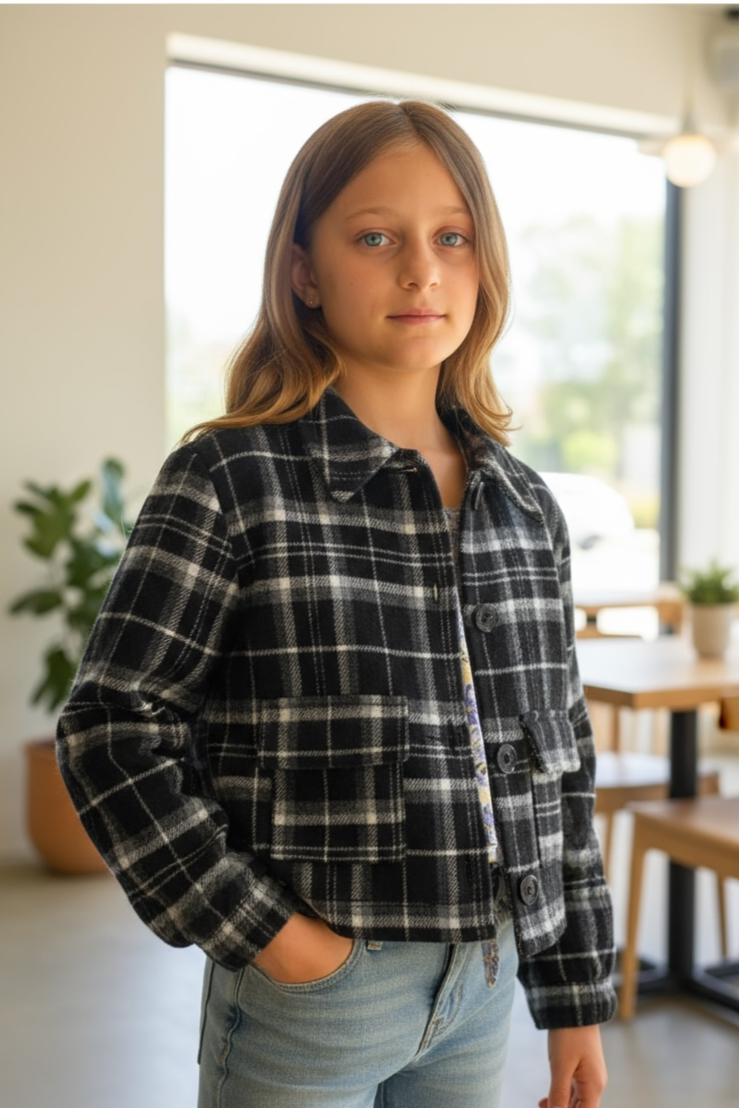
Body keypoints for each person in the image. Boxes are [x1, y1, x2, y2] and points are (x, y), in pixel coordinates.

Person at [57, 99, 616, 1108]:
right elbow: (112, 730)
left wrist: (573, 994)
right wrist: (275, 937)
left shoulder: (525, 505)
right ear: (304, 270)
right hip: (312, 995)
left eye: (452, 237)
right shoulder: (230, 477)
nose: (421, 269)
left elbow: (557, 758)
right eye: (375, 237)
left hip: (484, 984)